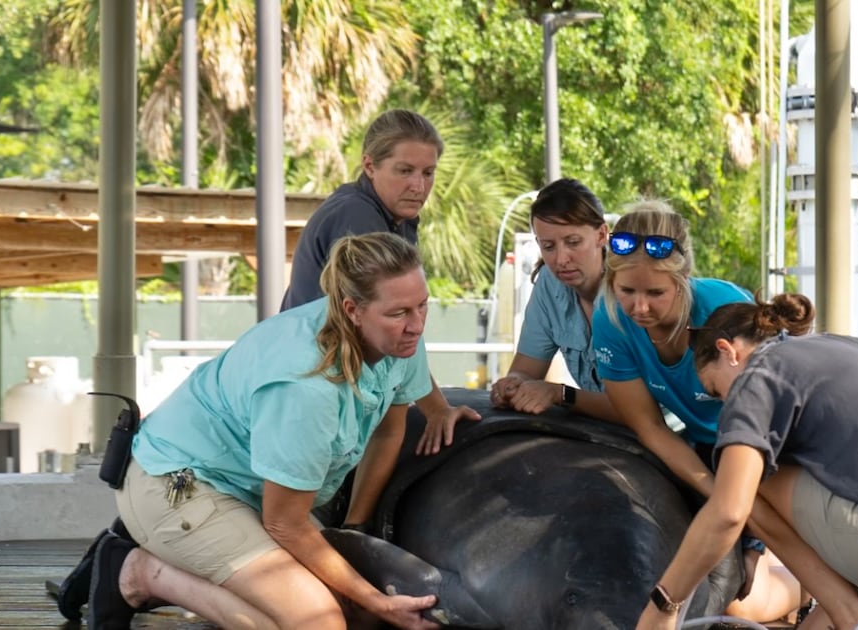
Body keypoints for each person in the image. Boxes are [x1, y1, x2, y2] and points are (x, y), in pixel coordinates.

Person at [87, 233, 441, 630]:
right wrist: (376, 600)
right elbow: (285, 523)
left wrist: (354, 531)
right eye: (399, 313)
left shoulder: (399, 339)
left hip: (255, 494)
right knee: (319, 624)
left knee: (358, 614)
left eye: (422, 305)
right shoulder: (304, 385)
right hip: (178, 486)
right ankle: (140, 573)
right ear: (352, 310)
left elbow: (387, 433)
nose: (416, 324)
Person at [636, 291, 858, 630]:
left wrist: (663, 606)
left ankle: (852, 616)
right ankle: (851, 612)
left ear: (728, 351)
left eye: (717, 391)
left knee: (745, 481)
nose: (723, 405)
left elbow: (730, 510)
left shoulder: (760, 371)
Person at [592, 201, 803, 625]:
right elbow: (650, 428)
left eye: (656, 293)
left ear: (682, 281)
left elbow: (775, 417)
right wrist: (715, 491)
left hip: (774, 445)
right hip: (704, 446)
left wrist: (749, 532)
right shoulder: (611, 321)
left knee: (755, 540)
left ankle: (811, 585)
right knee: (732, 599)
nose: (640, 308)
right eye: (626, 290)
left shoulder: (723, 309)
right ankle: (794, 582)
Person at [281, 108, 478, 457]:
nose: (419, 186)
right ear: (370, 166)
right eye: (405, 171)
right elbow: (393, 318)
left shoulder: (393, 217)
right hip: (311, 386)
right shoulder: (357, 214)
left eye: (428, 173)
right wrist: (435, 408)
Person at [486, 178, 619, 423]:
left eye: (573, 242)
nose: (561, 259)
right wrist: (513, 385)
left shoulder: (631, 290)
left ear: (602, 235)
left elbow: (638, 412)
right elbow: (526, 370)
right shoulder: (549, 284)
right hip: (604, 431)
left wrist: (560, 394)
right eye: (548, 246)